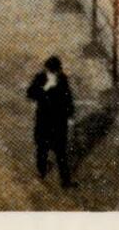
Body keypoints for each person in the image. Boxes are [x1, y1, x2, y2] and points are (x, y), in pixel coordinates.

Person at [25, 55, 76, 188]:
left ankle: (65, 181)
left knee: (61, 153)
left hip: (59, 122)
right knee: (42, 149)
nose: (53, 73)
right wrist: (46, 87)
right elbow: (30, 94)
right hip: (44, 121)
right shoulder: (41, 78)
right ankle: (41, 172)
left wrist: (70, 115)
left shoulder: (63, 79)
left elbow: (68, 98)